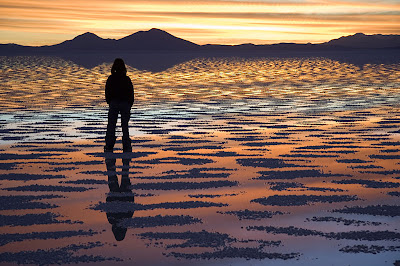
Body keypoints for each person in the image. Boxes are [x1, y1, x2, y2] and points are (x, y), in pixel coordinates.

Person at [104, 58, 134, 152]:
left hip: (115, 103)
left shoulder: (111, 78)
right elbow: (131, 93)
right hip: (124, 104)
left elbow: (107, 92)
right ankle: (126, 146)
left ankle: (109, 145)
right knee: (125, 126)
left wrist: (110, 102)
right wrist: (129, 104)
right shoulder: (126, 79)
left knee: (111, 126)